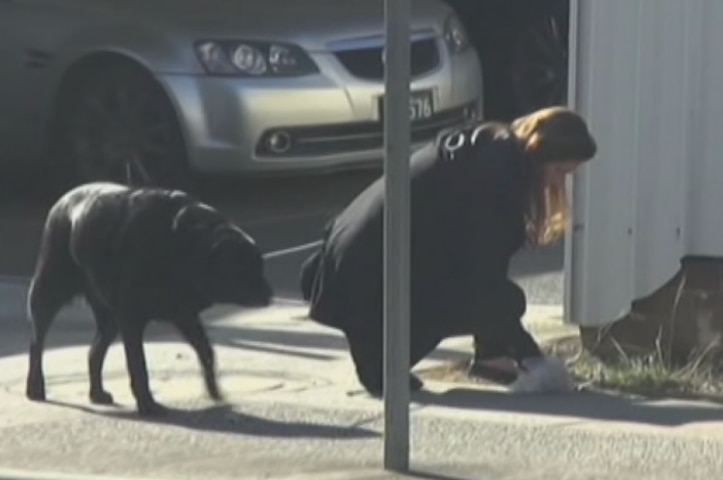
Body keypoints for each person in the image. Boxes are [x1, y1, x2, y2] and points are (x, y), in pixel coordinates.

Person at [299, 106, 597, 396]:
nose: (559, 182)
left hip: (345, 265)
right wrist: (533, 358)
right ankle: (381, 360)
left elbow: (475, 256)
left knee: (495, 296)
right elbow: (482, 276)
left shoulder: (485, 147)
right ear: (537, 152)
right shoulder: (500, 174)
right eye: (559, 170)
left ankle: (485, 358)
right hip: (366, 280)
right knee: (503, 300)